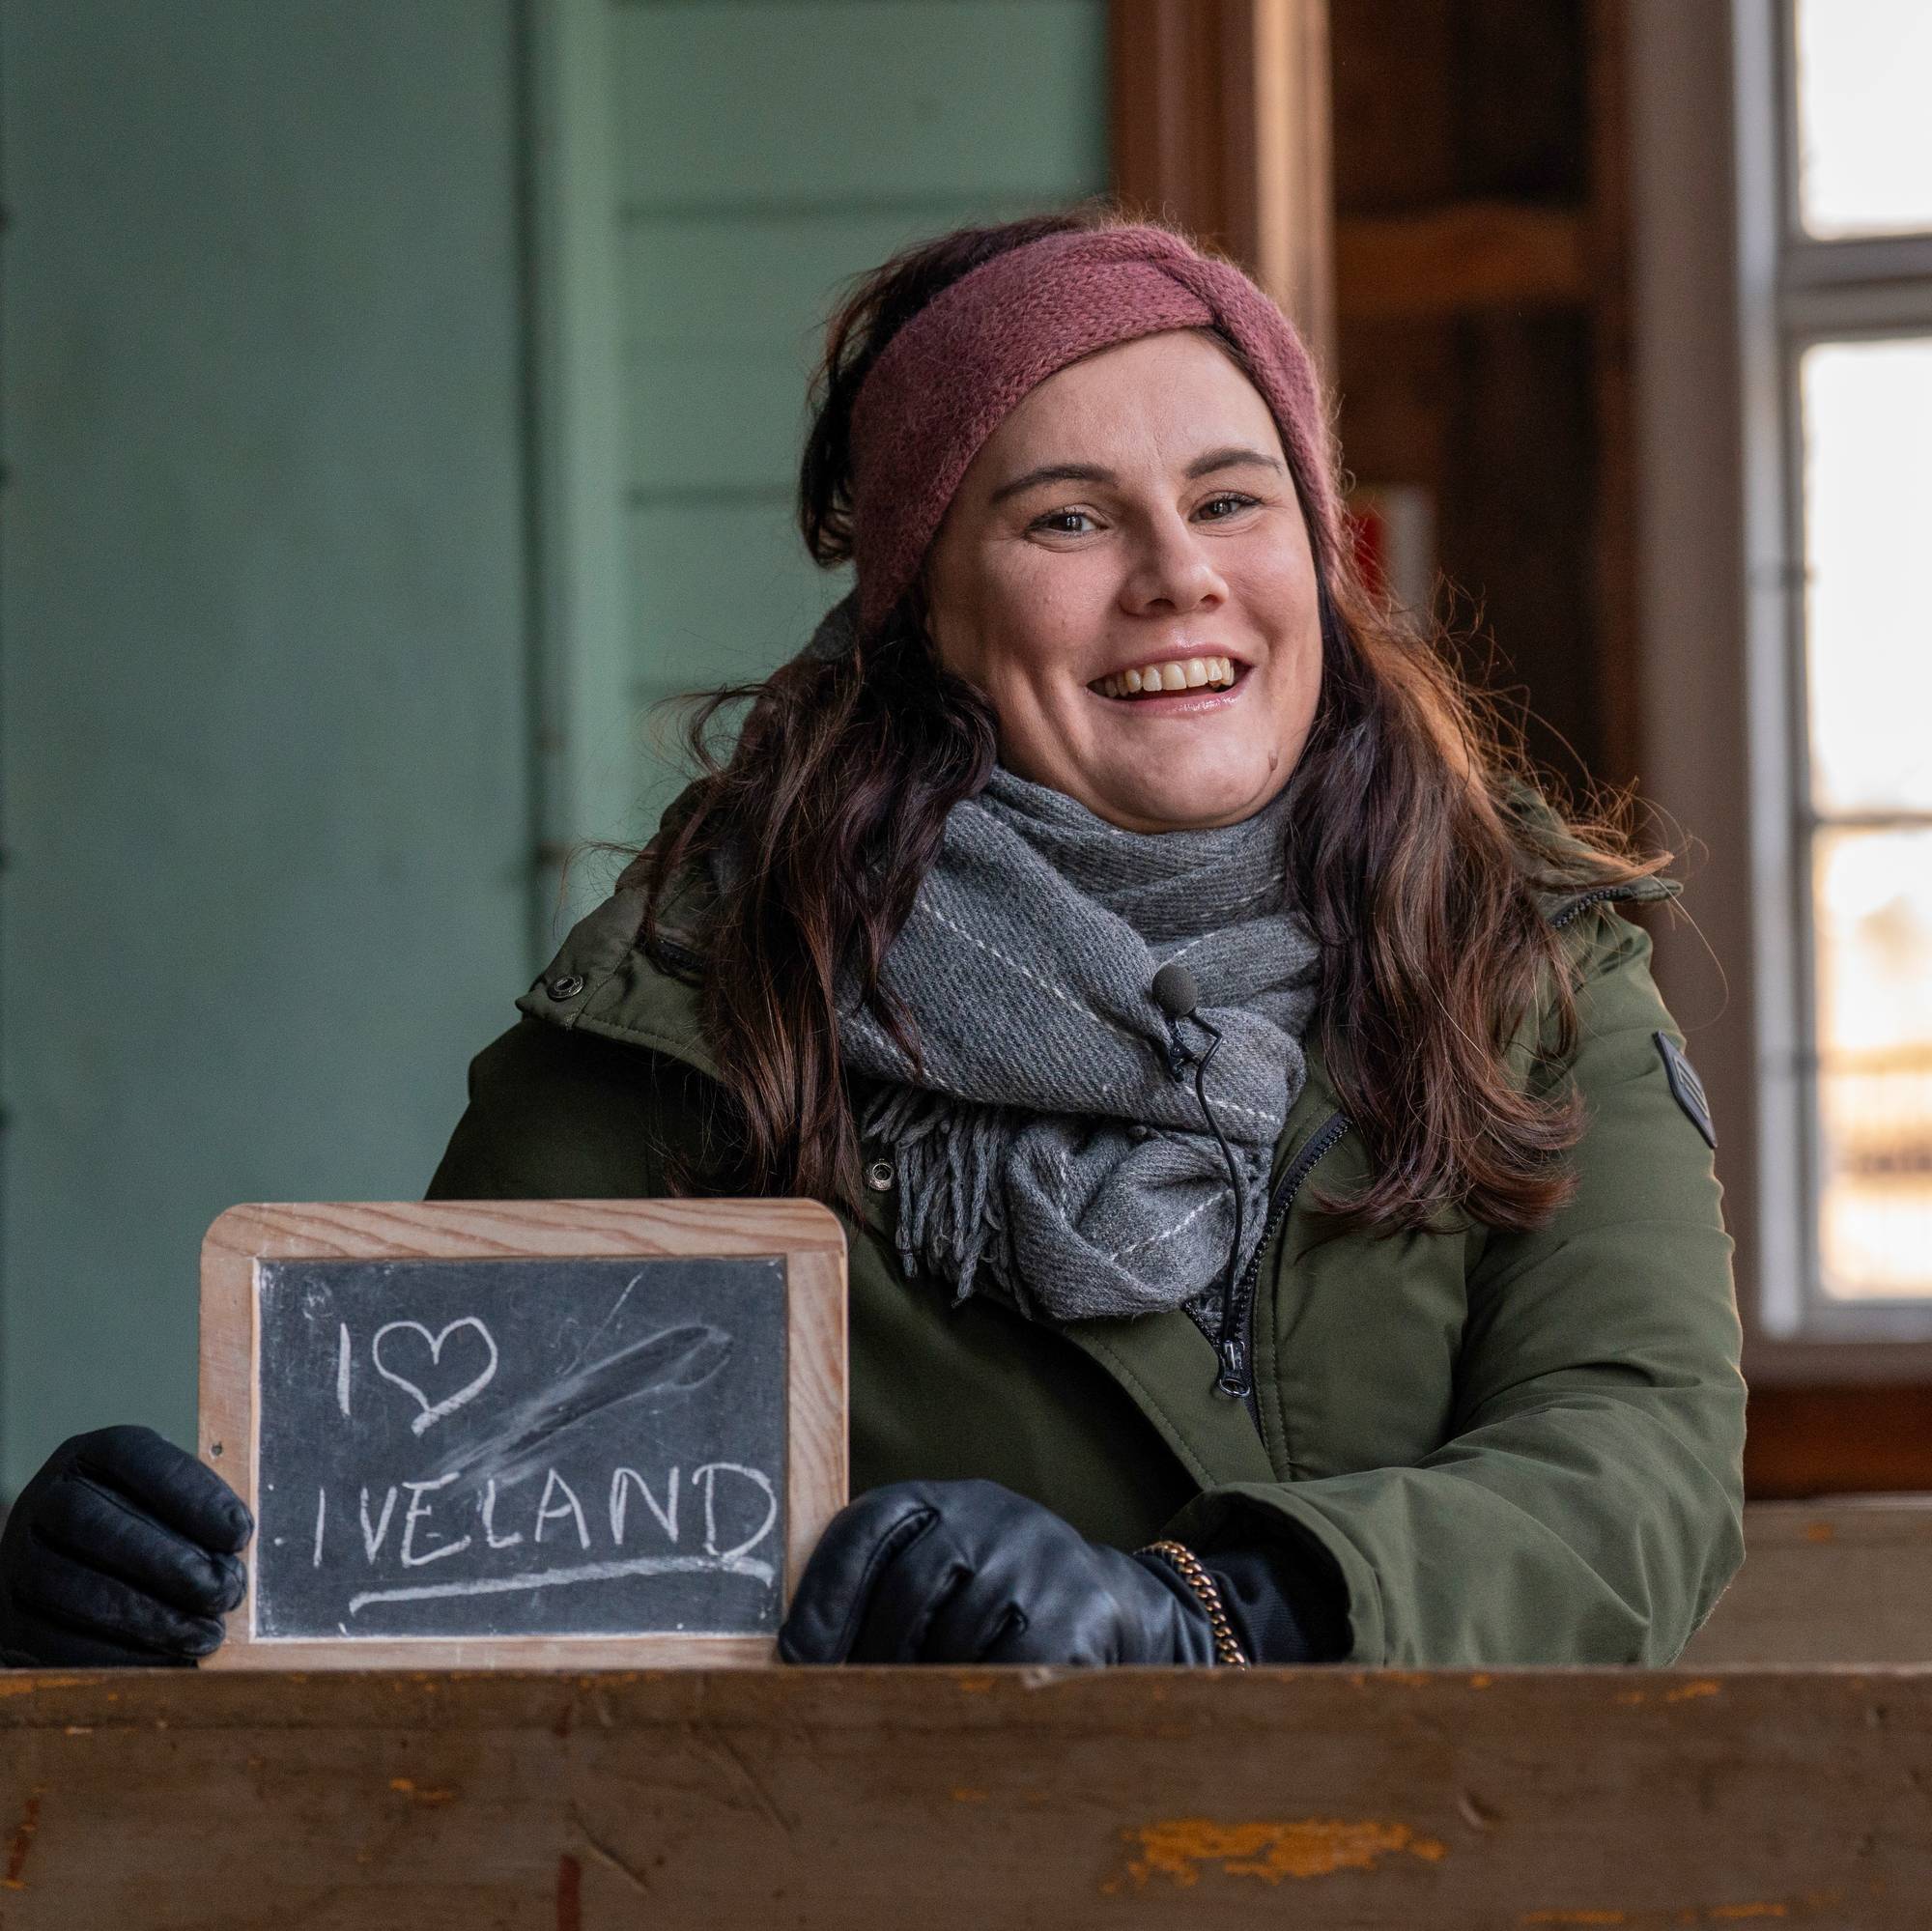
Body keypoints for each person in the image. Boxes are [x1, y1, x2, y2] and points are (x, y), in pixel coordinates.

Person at [0, 210, 1745, 1670]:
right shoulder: (693, 1023)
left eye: (1234, 500)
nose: (1177, 575)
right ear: (923, 605)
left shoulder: (1523, 962)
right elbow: (414, 1575)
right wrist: (108, 1626)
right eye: (1067, 518)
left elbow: (1638, 1464)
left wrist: (1205, 1613)